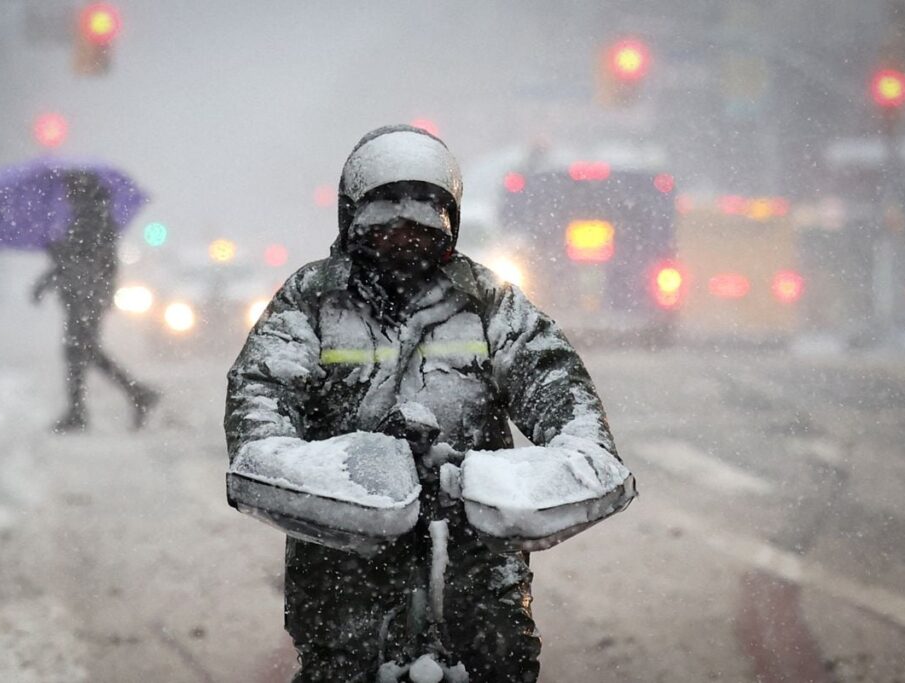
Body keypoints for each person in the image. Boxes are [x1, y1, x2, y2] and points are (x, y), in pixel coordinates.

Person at [224, 125, 624, 681]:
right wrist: (288, 460)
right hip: (345, 530)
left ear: (450, 220)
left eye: (423, 214)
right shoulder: (311, 299)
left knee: (503, 655)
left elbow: (551, 376)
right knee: (336, 662)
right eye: (384, 213)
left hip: (475, 531)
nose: (403, 231)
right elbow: (262, 393)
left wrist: (581, 447)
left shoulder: (488, 300)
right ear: (351, 215)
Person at [32, 170, 158, 433]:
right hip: (86, 295)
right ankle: (127, 396)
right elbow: (80, 261)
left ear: (80, 189)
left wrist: (55, 253)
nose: (65, 195)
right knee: (82, 351)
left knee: (80, 350)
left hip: (85, 297)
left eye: (68, 189)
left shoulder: (92, 218)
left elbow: (79, 261)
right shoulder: (93, 216)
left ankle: (124, 397)